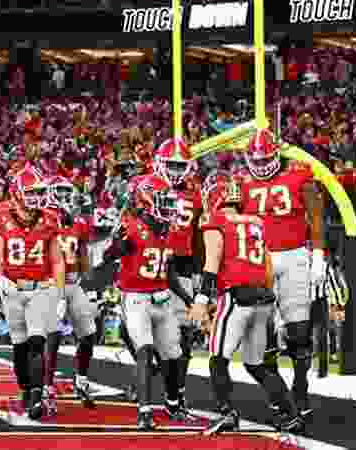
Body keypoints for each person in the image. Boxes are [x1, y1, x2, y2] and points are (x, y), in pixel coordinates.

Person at [191, 172, 304, 435]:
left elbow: (212, 263)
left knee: (218, 359)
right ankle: (291, 414)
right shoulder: (256, 222)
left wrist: (201, 299)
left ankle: (227, 413)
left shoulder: (215, 220)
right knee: (255, 364)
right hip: (263, 298)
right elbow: (267, 267)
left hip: (237, 297)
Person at [90, 174, 192, 430]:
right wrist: (117, 243)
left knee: (174, 357)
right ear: (147, 200)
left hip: (163, 299)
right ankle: (144, 411)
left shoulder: (168, 230)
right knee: (145, 351)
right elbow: (108, 257)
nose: (169, 208)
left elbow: (169, 275)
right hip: (136, 299)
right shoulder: (132, 226)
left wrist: (190, 301)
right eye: (163, 201)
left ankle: (172, 402)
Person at [238, 128, 326, 417]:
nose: (262, 166)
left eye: (266, 159)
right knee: (261, 332)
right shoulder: (241, 184)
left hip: (294, 255)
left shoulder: (300, 175)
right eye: (257, 161)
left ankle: (300, 388)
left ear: (277, 155)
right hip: (258, 260)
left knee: (299, 331)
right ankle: (278, 395)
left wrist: (318, 255)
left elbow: (315, 217)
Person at [0, 164, 65, 421]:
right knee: (20, 346)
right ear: (18, 193)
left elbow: (57, 260)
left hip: (40, 289)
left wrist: (59, 293)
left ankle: (35, 397)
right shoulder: (2, 217)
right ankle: (25, 387)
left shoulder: (49, 219)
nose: (37, 197)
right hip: (12, 288)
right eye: (31, 192)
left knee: (37, 341)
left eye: (39, 192)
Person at [42, 175, 98, 415]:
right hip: (50, 284)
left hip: (74, 284)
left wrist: (91, 284)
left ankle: (81, 379)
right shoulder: (43, 219)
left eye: (68, 192)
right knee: (52, 337)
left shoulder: (79, 222)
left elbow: (84, 253)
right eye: (61, 192)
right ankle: (46, 388)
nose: (66, 197)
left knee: (88, 334)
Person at [155, 137, 202, 410]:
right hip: (148, 266)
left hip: (182, 265)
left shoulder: (195, 196)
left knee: (183, 336)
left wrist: (198, 273)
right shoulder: (144, 186)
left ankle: (178, 391)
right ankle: (150, 377)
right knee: (142, 333)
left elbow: (197, 238)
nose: (174, 170)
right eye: (170, 164)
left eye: (179, 165)